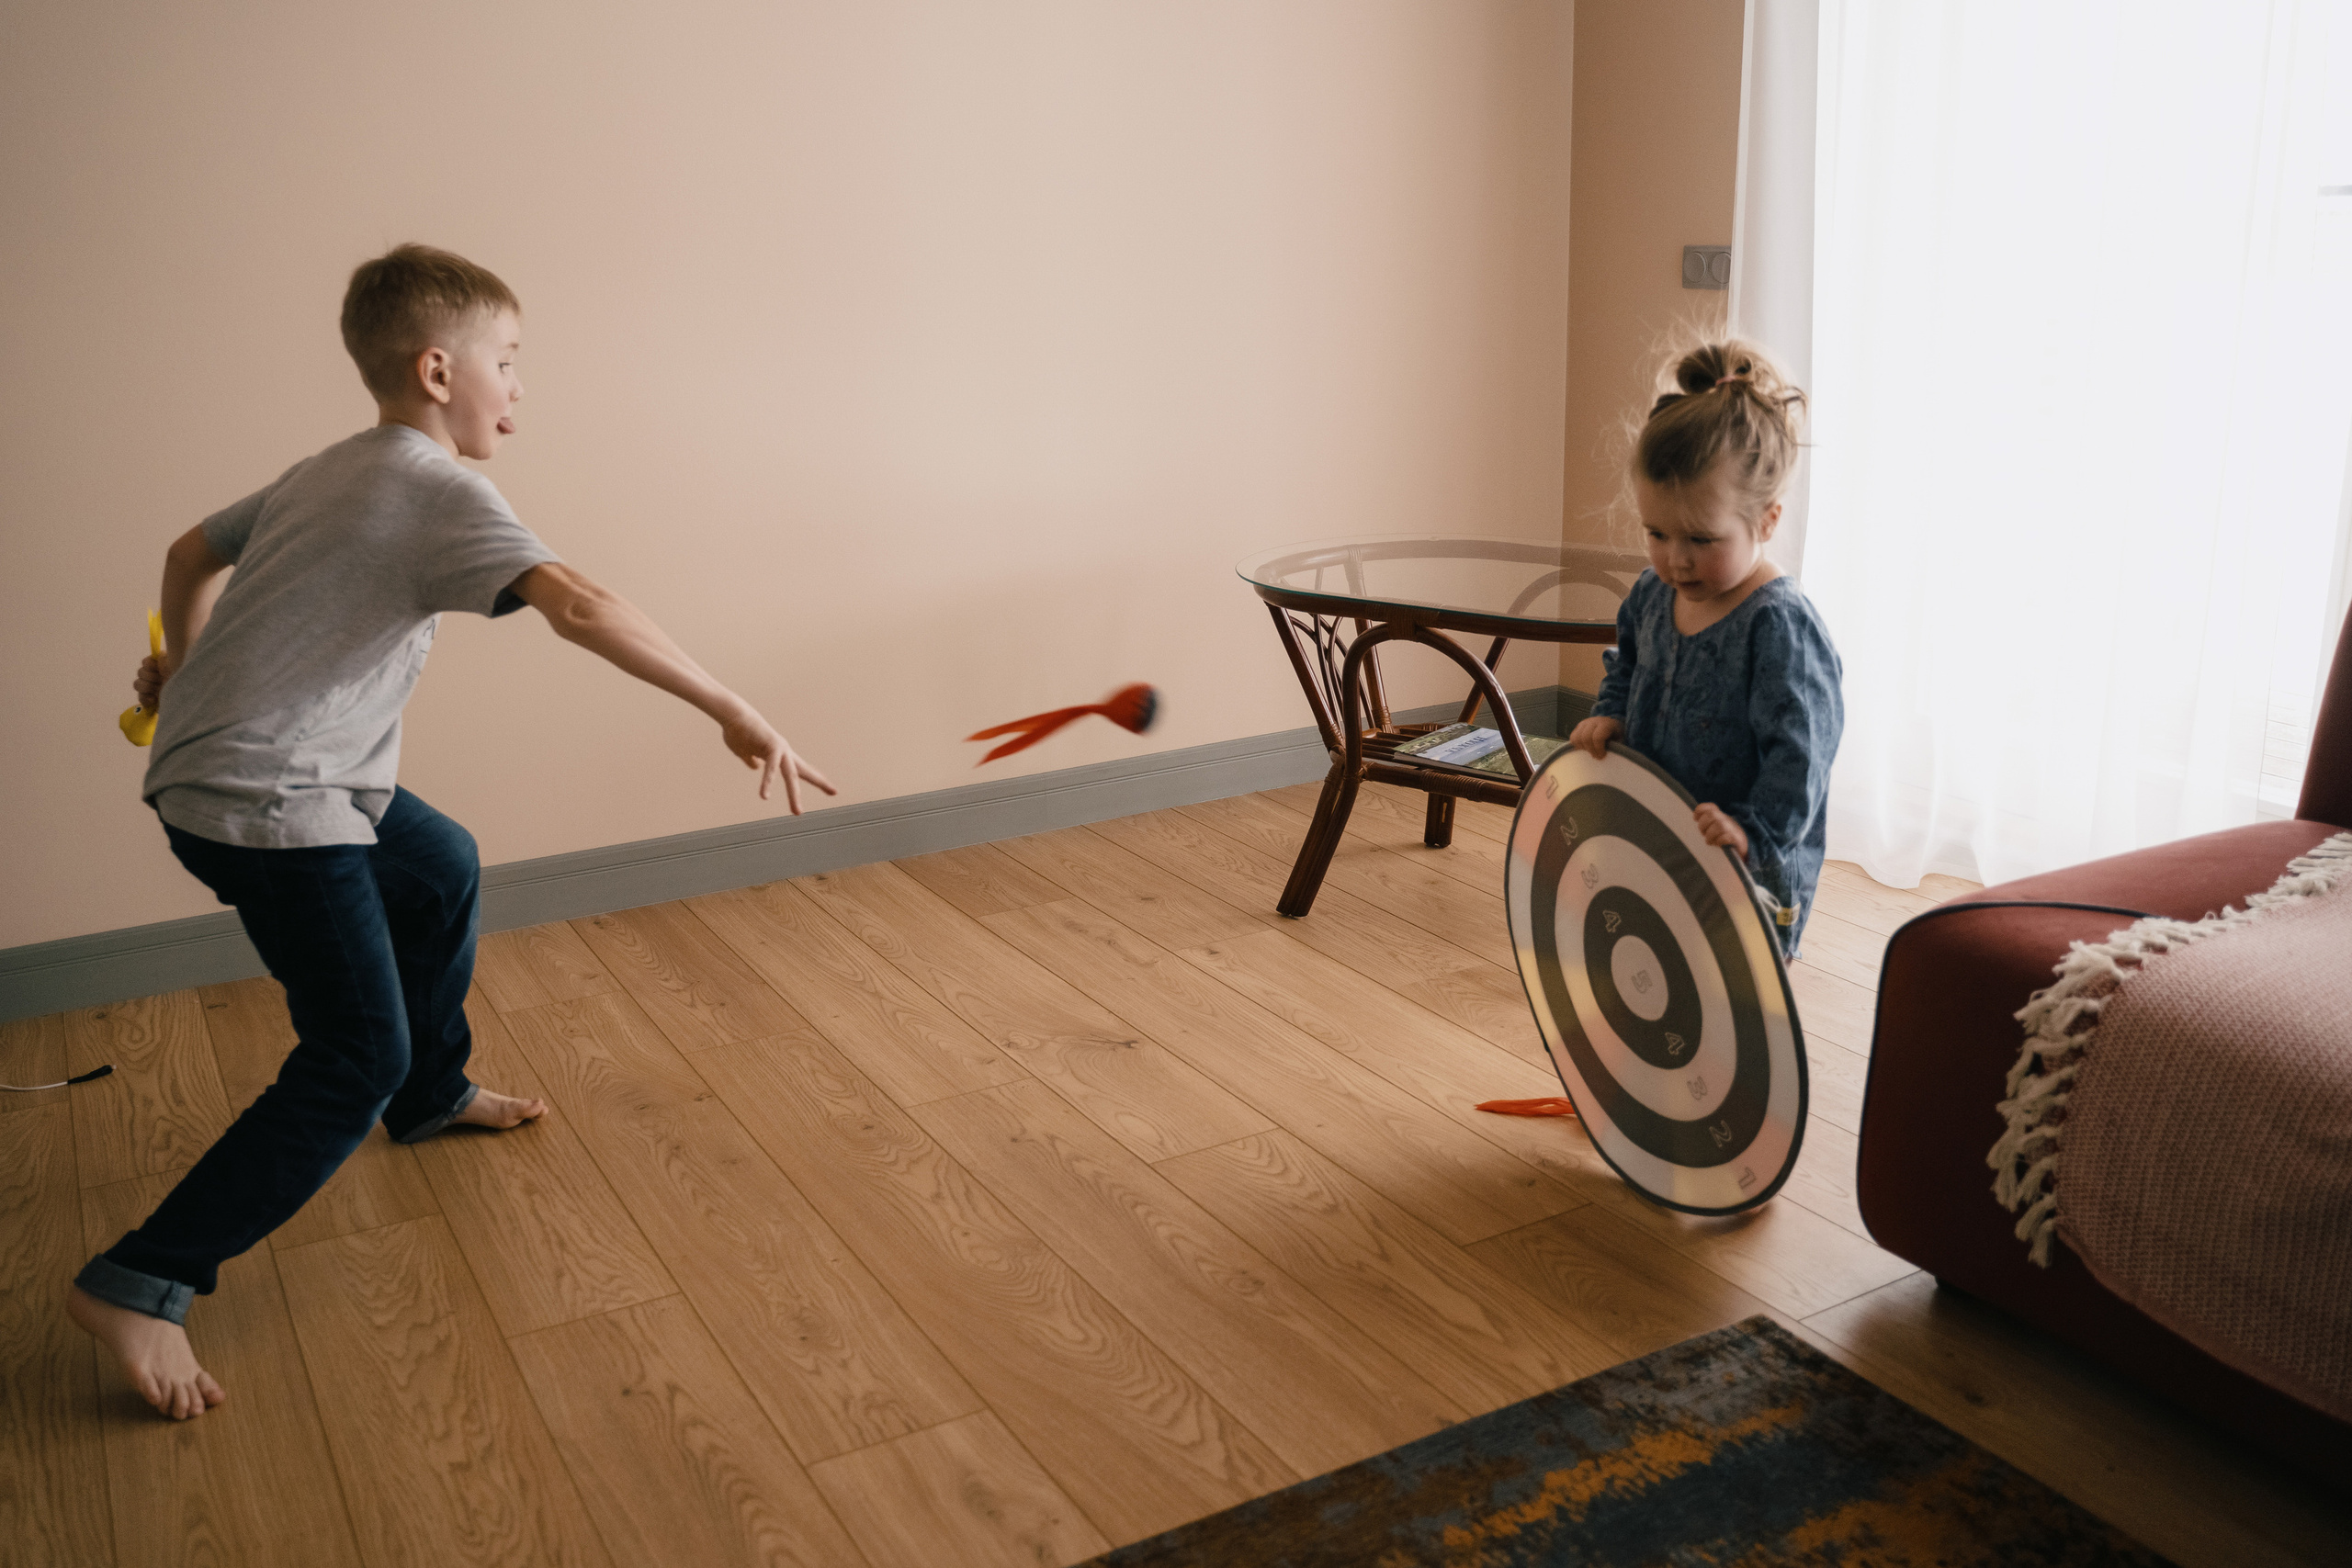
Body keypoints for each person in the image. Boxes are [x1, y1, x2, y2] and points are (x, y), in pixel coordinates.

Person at [69, 243, 836, 1420]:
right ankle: (146, 1276)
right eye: (509, 362)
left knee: (437, 867)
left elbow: (187, 553)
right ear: (438, 369)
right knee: (346, 1054)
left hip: (227, 776)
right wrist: (732, 705)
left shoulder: (331, 467)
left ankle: (429, 1096)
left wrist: (177, 667)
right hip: (274, 801)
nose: (519, 388)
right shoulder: (437, 487)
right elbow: (578, 601)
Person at [1568, 339, 1842, 955]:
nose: (1675, 558)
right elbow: (1628, 662)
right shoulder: (1651, 593)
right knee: (1659, 968)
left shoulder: (1780, 627)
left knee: (1735, 1001)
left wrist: (1754, 832)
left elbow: (1802, 757)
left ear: (1766, 522)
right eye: (1656, 533)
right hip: (1659, 837)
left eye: (1700, 538)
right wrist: (1610, 711)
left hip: (1746, 864)